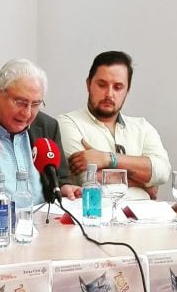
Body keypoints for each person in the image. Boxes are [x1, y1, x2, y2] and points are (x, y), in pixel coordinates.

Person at [0, 58, 80, 204]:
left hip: (42, 221)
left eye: (36, 104)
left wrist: (65, 188)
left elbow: (61, 179)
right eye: (20, 103)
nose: (27, 113)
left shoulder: (48, 127)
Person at [57, 50, 170, 200]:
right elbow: (87, 179)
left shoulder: (142, 127)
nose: (109, 94)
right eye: (102, 85)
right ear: (88, 84)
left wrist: (107, 159)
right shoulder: (67, 123)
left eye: (118, 87)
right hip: (94, 216)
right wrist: (146, 182)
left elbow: (162, 173)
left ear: (127, 90)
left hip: (144, 218)